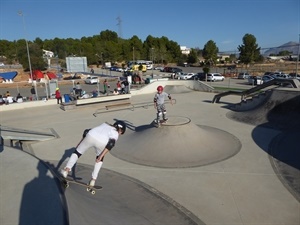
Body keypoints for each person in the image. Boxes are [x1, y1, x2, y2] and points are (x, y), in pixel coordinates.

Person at [60, 121, 126, 187]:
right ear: (120, 131)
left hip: (91, 135)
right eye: (121, 133)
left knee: (77, 152)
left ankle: (66, 170)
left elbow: (86, 131)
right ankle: (93, 180)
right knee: (99, 160)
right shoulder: (115, 133)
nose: (120, 134)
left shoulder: (105, 124)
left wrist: (80, 142)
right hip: (102, 142)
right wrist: (101, 156)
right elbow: (111, 144)